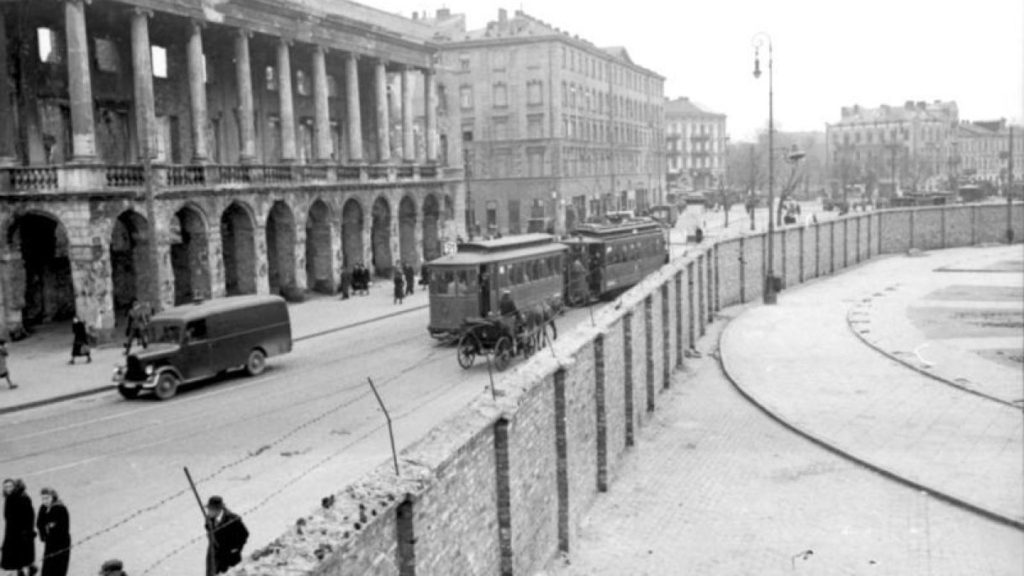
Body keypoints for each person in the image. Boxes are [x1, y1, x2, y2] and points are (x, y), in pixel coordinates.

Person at [205, 496, 249, 575]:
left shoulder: (232, 520)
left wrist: (235, 549)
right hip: (215, 556)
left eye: (210, 509)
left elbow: (244, 534)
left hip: (230, 557)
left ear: (217, 510)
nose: (208, 512)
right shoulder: (209, 519)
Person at [1, 478, 36, 576]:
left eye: (10, 486)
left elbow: (28, 516)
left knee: (19, 552)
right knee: (21, 552)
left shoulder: (18, 498)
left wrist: (25, 530)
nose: (8, 489)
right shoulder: (12, 497)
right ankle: (25, 568)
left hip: (18, 531)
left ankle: (23, 570)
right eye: (5, 487)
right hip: (15, 531)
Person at [36, 488, 69, 576]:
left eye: (47, 498)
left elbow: (62, 527)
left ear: (53, 497)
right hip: (50, 541)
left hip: (61, 542)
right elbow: (39, 523)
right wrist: (43, 535)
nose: (45, 501)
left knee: (59, 567)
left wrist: (49, 527)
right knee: (47, 566)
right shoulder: (43, 508)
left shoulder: (60, 508)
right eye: (43, 498)